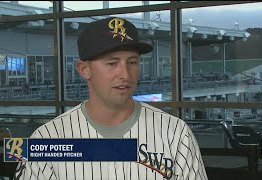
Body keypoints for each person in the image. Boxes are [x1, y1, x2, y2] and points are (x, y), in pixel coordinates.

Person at [14, 16, 208, 180]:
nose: (125, 74)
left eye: (132, 62)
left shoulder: (176, 133)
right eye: (112, 63)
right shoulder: (46, 139)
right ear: (84, 70)